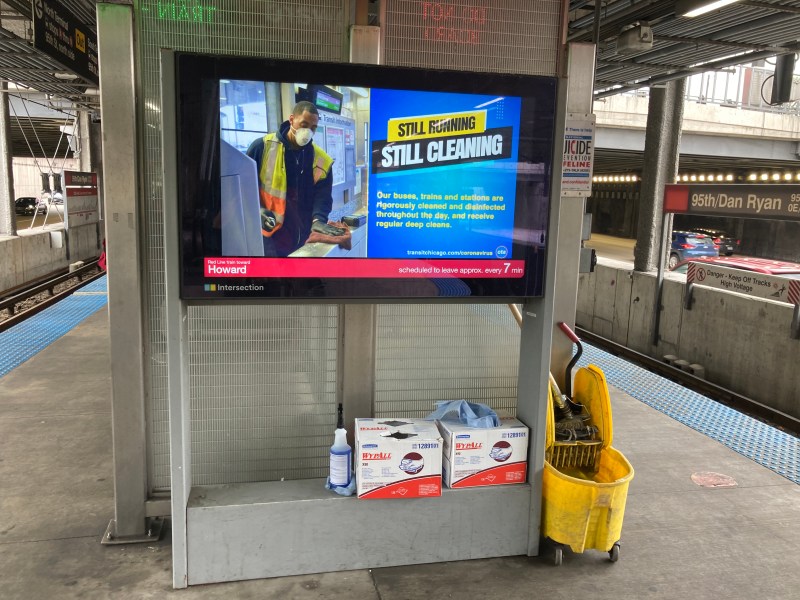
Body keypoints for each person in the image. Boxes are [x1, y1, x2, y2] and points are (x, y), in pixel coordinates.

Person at [246, 101, 346, 256]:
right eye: (304, 124)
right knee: (274, 277)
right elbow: (243, 190)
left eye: (313, 128)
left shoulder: (320, 159)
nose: (308, 132)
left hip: (303, 234)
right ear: (291, 119)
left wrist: (318, 219)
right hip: (268, 233)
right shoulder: (262, 147)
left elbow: (323, 195)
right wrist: (255, 211)